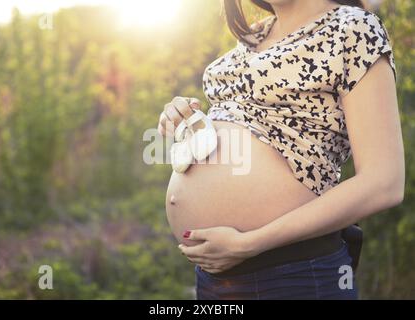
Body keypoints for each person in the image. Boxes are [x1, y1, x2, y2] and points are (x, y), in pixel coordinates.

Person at [158, 0, 404, 300]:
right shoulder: (255, 36)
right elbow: (257, 127)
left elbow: (384, 183)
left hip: (293, 272)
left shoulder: (353, 29)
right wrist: (184, 119)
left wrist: (249, 243)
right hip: (218, 278)